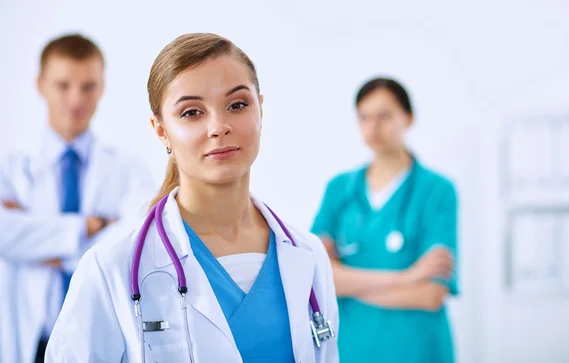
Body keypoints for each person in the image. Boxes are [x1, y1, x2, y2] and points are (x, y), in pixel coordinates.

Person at [45, 33, 339, 363]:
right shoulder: (110, 268)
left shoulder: (307, 255)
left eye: (237, 105)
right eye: (191, 112)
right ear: (161, 131)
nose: (219, 126)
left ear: (261, 109)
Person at [0, 33, 156, 363]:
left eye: (88, 86)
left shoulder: (129, 169)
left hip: (99, 341)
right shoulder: (9, 168)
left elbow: (135, 242)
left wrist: (38, 242)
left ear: (102, 88)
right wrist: (92, 225)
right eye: (63, 85)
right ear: (40, 85)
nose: (76, 99)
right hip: (30, 340)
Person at [311, 77, 459, 363]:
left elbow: (430, 294)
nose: (372, 127)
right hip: (352, 349)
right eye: (364, 117)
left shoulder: (438, 192)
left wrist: (347, 284)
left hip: (417, 350)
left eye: (384, 116)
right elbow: (318, 277)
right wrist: (408, 277)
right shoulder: (340, 190)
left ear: (409, 118)